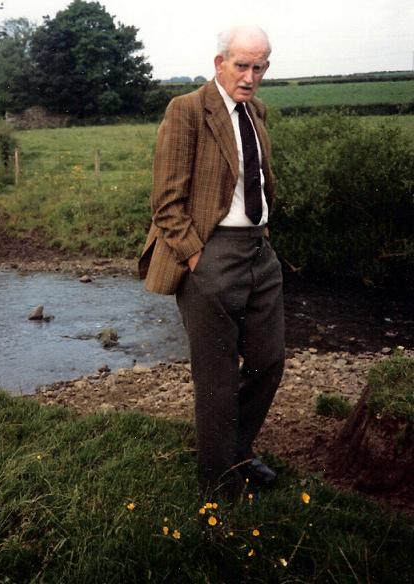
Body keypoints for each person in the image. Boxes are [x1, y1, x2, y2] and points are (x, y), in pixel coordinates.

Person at [139, 25, 284, 497]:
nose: (249, 75)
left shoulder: (256, 110)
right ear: (219, 62)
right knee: (217, 376)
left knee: (269, 361)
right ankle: (219, 481)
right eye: (241, 65)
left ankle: (236, 451)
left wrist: (261, 231)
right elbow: (165, 200)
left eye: (258, 66)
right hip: (209, 251)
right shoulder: (186, 110)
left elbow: (256, 181)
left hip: (259, 251)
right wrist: (196, 256)